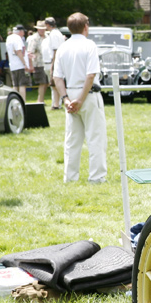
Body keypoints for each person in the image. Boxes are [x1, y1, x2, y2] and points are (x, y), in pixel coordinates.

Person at [52, 12, 107, 183]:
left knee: (72, 139)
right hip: (88, 94)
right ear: (85, 27)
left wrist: (66, 99)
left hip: (70, 92)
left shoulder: (63, 47)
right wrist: (81, 99)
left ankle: (70, 177)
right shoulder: (89, 45)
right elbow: (90, 75)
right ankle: (96, 177)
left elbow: (57, 77)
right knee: (95, 137)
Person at [43, 17, 66, 109]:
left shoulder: (54, 34)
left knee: (54, 84)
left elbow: (55, 50)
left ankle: (57, 104)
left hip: (54, 61)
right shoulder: (57, 33)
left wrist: (53, 65)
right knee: (54, 84)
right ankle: (56, 104)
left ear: (47, 25)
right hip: (56, 61)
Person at [26, 20, 49, 103]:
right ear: (37, 29)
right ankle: (40, 101)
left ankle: (40, 100)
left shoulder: (47, 37)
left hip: (46, 62)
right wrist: (31, 65)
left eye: (43, 28)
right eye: (40, 28)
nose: (42, 30)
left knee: (46, 82)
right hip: (38, 64)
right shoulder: (34, 38)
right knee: (42, 83)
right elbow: (29, 52)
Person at [5, 25, 31, 100]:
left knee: (15, 85)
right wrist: (25, 64)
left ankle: (15, 101)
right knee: (22, 85)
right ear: (20, 31)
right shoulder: (17, 38)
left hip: (13, 65)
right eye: (23, 32)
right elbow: (18, 51)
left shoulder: (9, 38)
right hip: (20, 65)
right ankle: (23, 101)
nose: (24, 34)